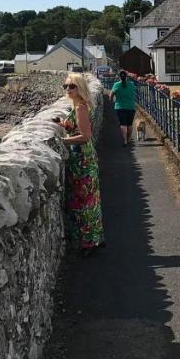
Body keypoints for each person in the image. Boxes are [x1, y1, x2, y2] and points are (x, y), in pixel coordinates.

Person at [58, 73, 104, 253]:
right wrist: (64, 124)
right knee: (87, 198)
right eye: (66, 86)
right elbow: (78, 127)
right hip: (82, 157)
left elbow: (85, 136)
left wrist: (64, 141)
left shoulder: (80, 108)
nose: (68, 89)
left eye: (72, 86)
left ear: (80, 88)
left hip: (82, 159)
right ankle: (93, 239)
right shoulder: (78, 105)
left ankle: (89, 242)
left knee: (85, 199)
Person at [110, 69, 137, 145]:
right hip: (131, 106)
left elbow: (111, 94)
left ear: (119, 77)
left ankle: (124, 140)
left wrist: (111, 99)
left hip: (120, 106)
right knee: (129, 124)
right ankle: (128, 139)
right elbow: (134, 91)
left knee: (123, 124)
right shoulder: (131, 84)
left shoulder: (116, 85)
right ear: (127, 76)